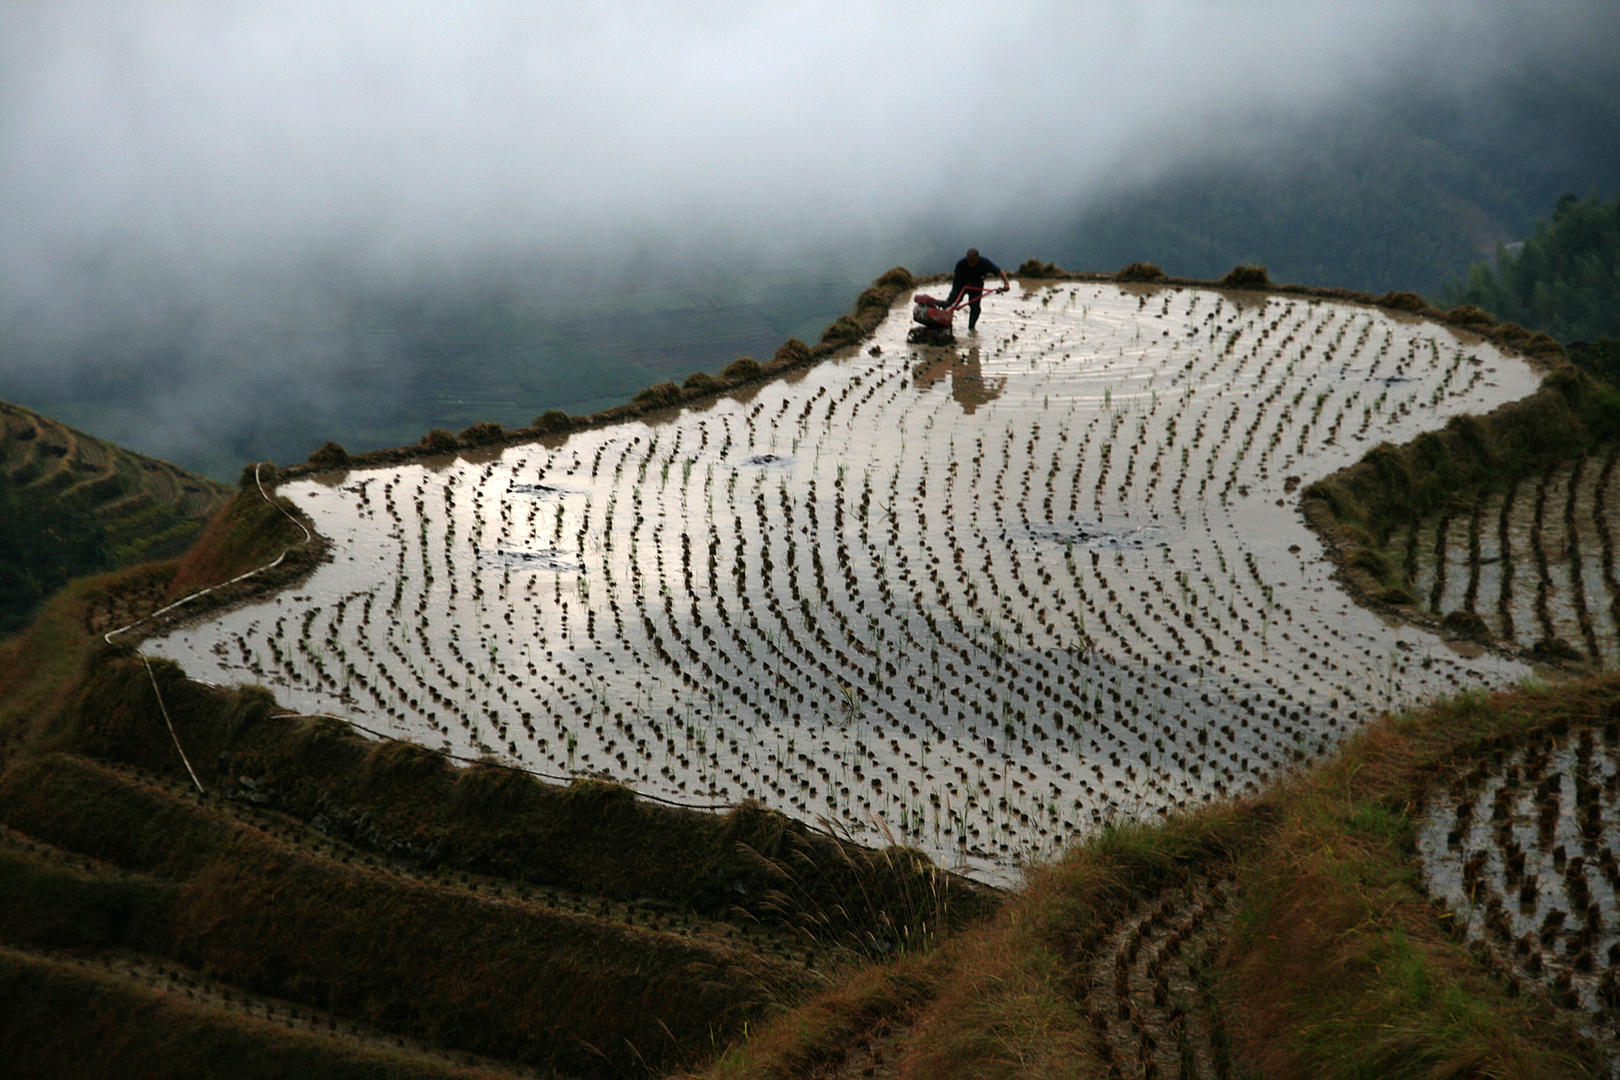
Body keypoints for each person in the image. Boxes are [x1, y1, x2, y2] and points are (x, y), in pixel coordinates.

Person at [942, 249, 1010, 330]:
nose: (970, 263)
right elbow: (957, 278)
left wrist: (1006, 283)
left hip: (976, 286)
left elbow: (1000, 271)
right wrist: (956, 304)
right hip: (960, 285)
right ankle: (943, 321)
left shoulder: (985, 263)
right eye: (969, 261)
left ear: (977, 259)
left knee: (975, 308)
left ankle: (971, 327)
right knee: (951, 302)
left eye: (973, 261)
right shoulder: (961, 263)